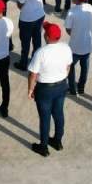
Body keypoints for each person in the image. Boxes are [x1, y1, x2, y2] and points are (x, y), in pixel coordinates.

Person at [27, 21, 72, 157]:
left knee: (45, 118)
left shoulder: (40, 53)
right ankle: (57, 141)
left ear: (46, 36)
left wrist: (30, 90)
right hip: (61, 86)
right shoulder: (66, 48)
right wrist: (63, 77)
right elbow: (68, 66)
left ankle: (43, 147)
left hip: (45, 90)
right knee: (58, 114)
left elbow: (33, 74)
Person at [63, 0, 92, 95]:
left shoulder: (72, 12)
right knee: (85, 68)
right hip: (88, 45)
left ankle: (72, 89)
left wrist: (75, 34)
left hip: (75, 47)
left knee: (70, 67)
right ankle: (81, 88)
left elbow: (68, 28)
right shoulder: (90, 8)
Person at [16, 0, 45, 70]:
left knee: (25, 42)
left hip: (27, 19)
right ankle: (36, 61)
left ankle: (23, 63)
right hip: (40, 15)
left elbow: (20, 4)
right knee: (37, 41)